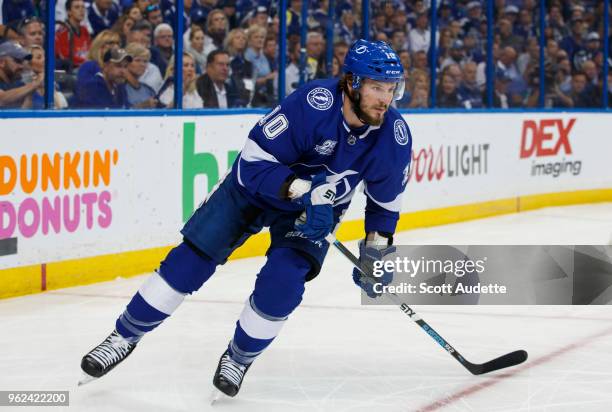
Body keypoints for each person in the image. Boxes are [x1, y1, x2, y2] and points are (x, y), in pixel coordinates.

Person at [79, 39, 412, 399]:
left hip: (315, 211)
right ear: (352, 83)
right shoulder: (313, 104)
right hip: (253, 190)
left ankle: (239, 358)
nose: (385, 98)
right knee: (189, 262)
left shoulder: (393, 136)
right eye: (378, 87)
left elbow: (384, 203)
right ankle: (124, 336)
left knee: (283, 284)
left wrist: (377, 250)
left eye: (391, 88)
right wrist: (304, 191)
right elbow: (253, 163)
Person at [0, 41, 41, 108]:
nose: (21, 66)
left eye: (22, 62)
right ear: (1, 62)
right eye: (17, 61)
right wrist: (35, 83)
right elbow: (1, 100)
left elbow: (25, 112)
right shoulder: (26, 86)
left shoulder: (18, 84)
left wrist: (30, 92)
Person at [55, 0, 92, 72]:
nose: (81, 10)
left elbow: (90, 51)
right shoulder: (62, 32)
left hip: (85, 67)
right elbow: (65, 57)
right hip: (72, 70)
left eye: (83, 7)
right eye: (77, 7)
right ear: (69, 12)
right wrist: (86, 62)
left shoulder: (85, 30)